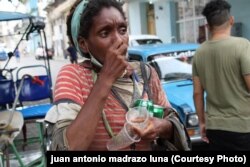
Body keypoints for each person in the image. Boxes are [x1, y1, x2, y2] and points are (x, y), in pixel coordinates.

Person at [45, 0, 190, 151]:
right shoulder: (74, 76)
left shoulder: (144, 73)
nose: (119, 40)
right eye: (104, 33)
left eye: (122, 30)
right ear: (83, 44)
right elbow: (67, 148)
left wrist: (160, 127)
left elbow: (172, 121)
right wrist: (106, 78)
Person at [192, 0, 250, 151]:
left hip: (215, 128)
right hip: (243, 127)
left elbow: (197, 93)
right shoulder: (243, 46)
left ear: (208, 26)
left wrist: (202, 122)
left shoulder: (199, 53)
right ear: (231, 20)